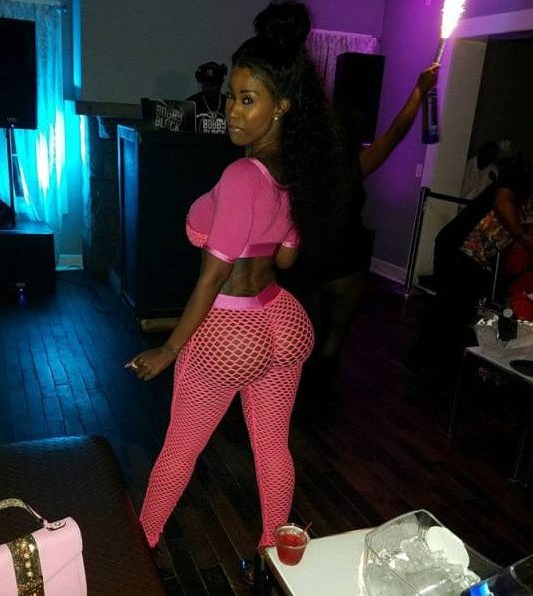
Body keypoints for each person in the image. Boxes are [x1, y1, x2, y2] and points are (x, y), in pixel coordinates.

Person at [125, 0, 356, 570]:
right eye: (232, 95)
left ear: (281, 107)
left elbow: (212, 277)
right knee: (272, 446)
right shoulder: (294, 173)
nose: (231, 109)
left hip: (229, 329)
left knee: (181, 446)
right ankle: (275, 555)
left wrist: (168, 349)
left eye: (247, 99)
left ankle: (137, 549)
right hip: (283, 320)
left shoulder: (240, 175)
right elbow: (286, 256)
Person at [282, 63, 440, 396]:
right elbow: (396, 132)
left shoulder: (300, 167)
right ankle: (319, 396)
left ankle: (301, 397)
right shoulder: (355, 163)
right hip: (345, 260)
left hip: (310, 259)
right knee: (331, 343)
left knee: (304, 338)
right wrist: (419, 90)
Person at [412, 156, 533, 391]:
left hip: (475, 256)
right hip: (459, 248)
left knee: (450, 308)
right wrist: (522, 236)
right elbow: (502, 203)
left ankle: (426, 359)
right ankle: (439, 371)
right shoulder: (521, 177)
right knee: (452, 309)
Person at [187, 61, 228, 134]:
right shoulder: (190, 104)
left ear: (220, 84)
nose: (209, 87)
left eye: (213, 84)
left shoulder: (229, 103)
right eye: (206, 83)